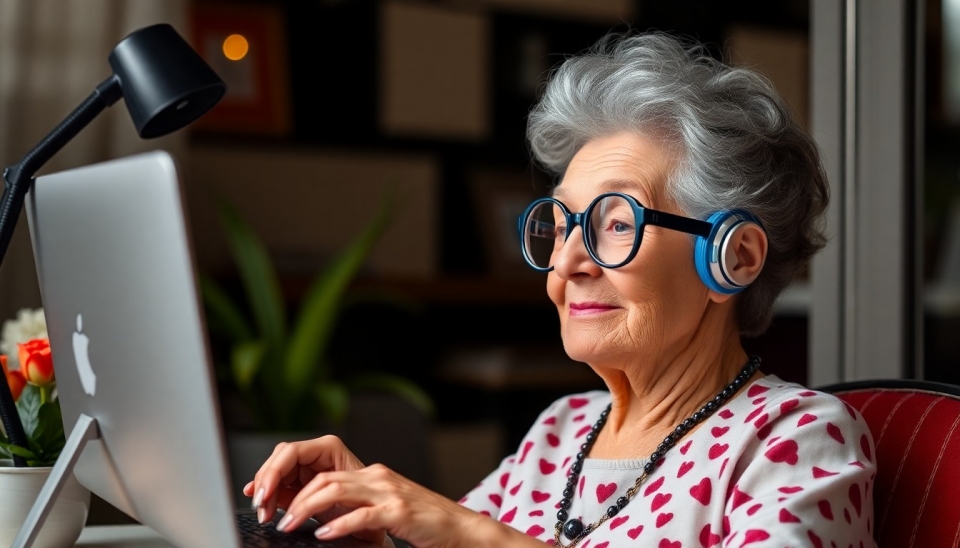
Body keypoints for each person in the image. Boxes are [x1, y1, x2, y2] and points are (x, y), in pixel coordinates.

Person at [244, 32, 877, 547]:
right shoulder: (561, 431)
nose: (568, 260)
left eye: (616, 224)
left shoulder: (793, 440)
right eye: (563, 223)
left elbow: (470, 540)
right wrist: (370, 537)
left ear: (732, 258)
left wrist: (475, 537)